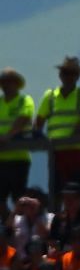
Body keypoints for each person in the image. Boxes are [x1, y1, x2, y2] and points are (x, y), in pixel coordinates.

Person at [38, 54, 80, 195]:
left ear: (77, 76)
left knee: (74, 190)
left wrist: (76, 133)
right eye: (65, 73)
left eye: (72, 73)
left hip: (77, 150)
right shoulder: (49, 96)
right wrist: (39, 139)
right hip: (55, 151)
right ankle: (57, 216)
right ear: (60, 75)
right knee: (56, 190)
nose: (68, 77)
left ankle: (74, 216)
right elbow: (39, 122)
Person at [0, 68, 35, 204]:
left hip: (19, 158)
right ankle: (10, 223)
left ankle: (18, 224)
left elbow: (23, 119)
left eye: (8, 82)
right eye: (3, 82)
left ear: (16, 83)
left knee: (18, 198)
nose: (5, 85)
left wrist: (7, 137)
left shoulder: (24, 101)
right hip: (1, 158)